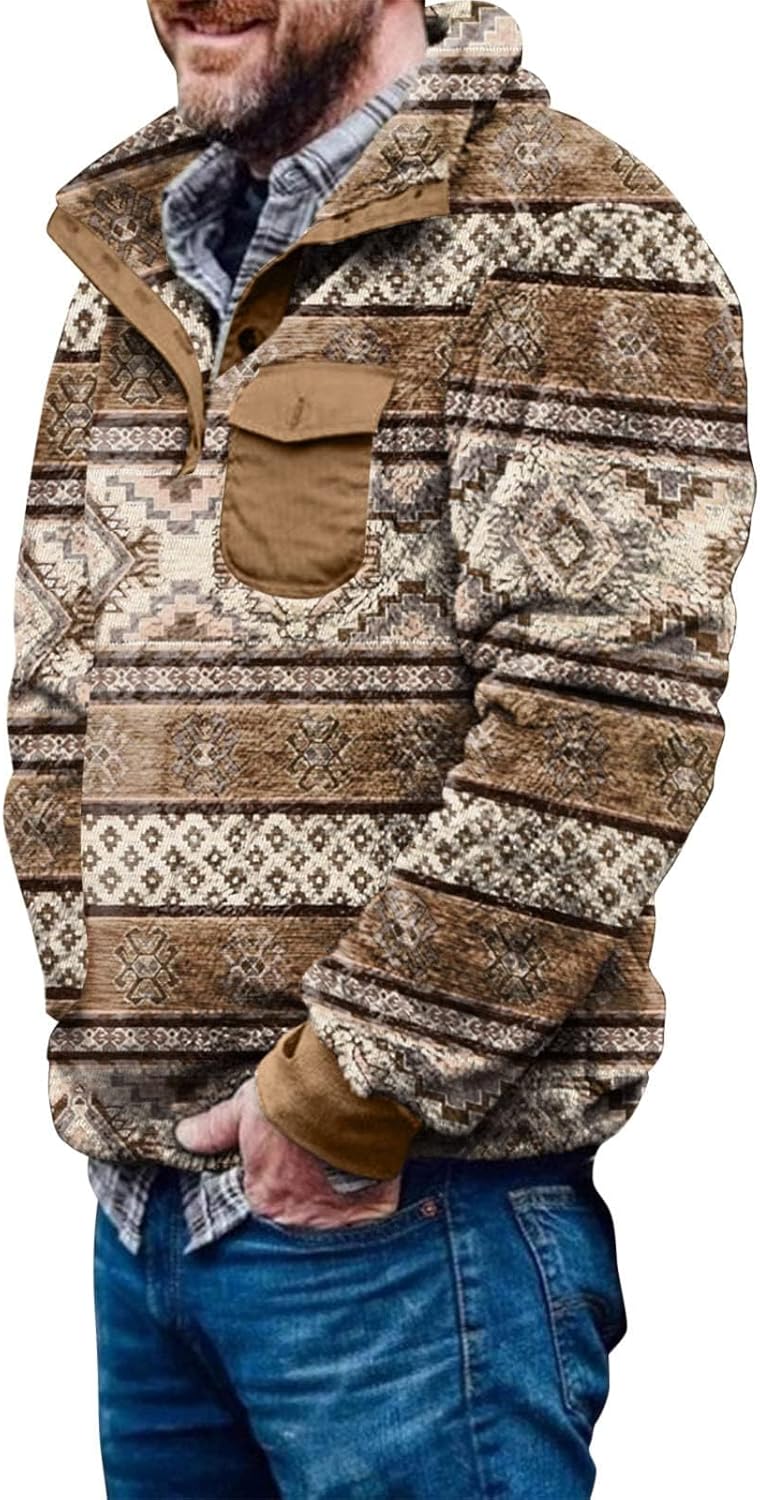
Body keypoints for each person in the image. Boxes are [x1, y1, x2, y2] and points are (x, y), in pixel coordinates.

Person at [4, 2, 755, 1496]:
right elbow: (55, 690)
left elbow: (604, 725)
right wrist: (113, 1036)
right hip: (145, 1220)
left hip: (406, 1224)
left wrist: (345, 1095)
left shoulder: (568, 234)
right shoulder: (133, 259)